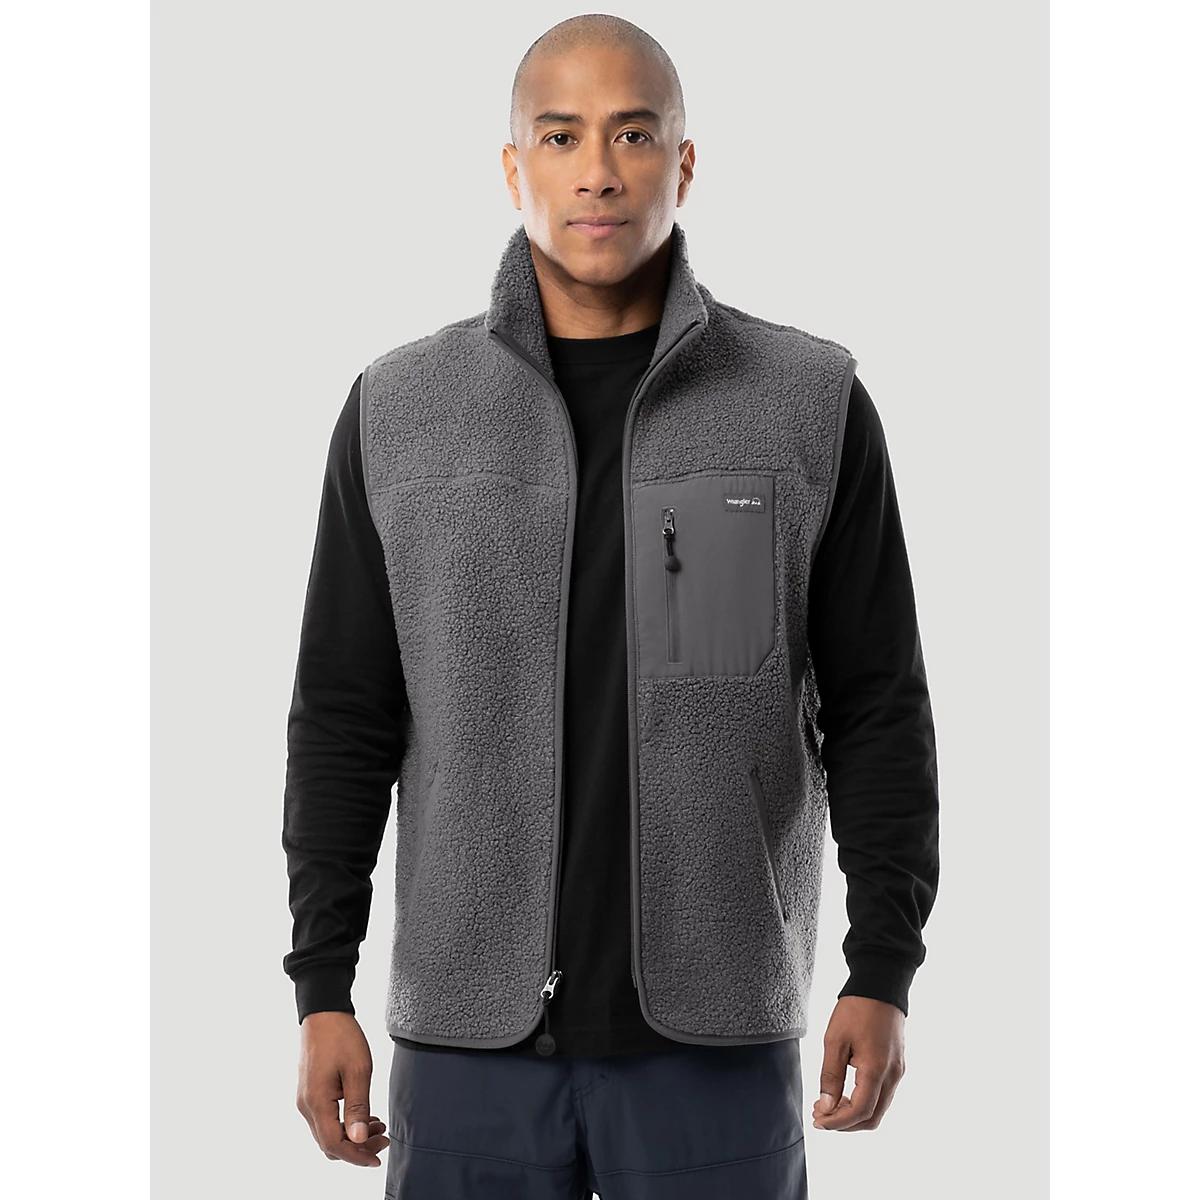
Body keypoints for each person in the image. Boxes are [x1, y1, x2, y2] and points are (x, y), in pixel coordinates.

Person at [282, 13, 939, 1198]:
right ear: (513, 166)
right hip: (467, 1041)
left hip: (714, 1040)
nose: (598, 170)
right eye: (561, 135)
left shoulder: (807, 403)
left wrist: (882, 966)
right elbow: (342, 716)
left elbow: (878, 706)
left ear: (683, 163)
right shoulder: (399, 411)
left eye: (634, 134)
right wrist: (321, 984)